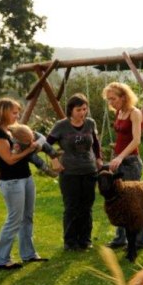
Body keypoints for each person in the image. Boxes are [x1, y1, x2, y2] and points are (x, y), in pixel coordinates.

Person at [0, 98, 48, 270]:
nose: (18, 115)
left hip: (26, 179)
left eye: (17, 112)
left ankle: (28, 254)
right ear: (3, 112)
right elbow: (9, 159)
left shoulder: (12, 131)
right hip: (12, 182)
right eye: (14, 112)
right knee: (14, 220)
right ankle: (2, 259)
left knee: (27, 218)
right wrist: (31, 148)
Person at [47, 93, 102, 251]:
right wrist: (54, 159)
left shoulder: (90, 123)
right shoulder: (61, 125)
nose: (82, 113)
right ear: (71, 110)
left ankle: (85, 240)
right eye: (79, 110)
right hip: (69, 172)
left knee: (86, 207)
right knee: (71, 207)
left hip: (89, 171)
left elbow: (96, 143)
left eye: (85, 109)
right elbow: (46, 143)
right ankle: (70, 242)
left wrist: (98, 158)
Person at [102, 82, 143, 250]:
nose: (111, 103)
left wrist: (120, 156)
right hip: (118, 160)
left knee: (133, 203)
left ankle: (139, 241)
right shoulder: (119, 112)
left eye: (113, 98)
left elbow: (136, 140)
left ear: (124, 97)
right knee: (118, 201)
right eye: (109, 100)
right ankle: (121, 238)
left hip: (130, 163)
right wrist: (116, 151)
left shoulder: (135, 113)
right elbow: (124, 137)